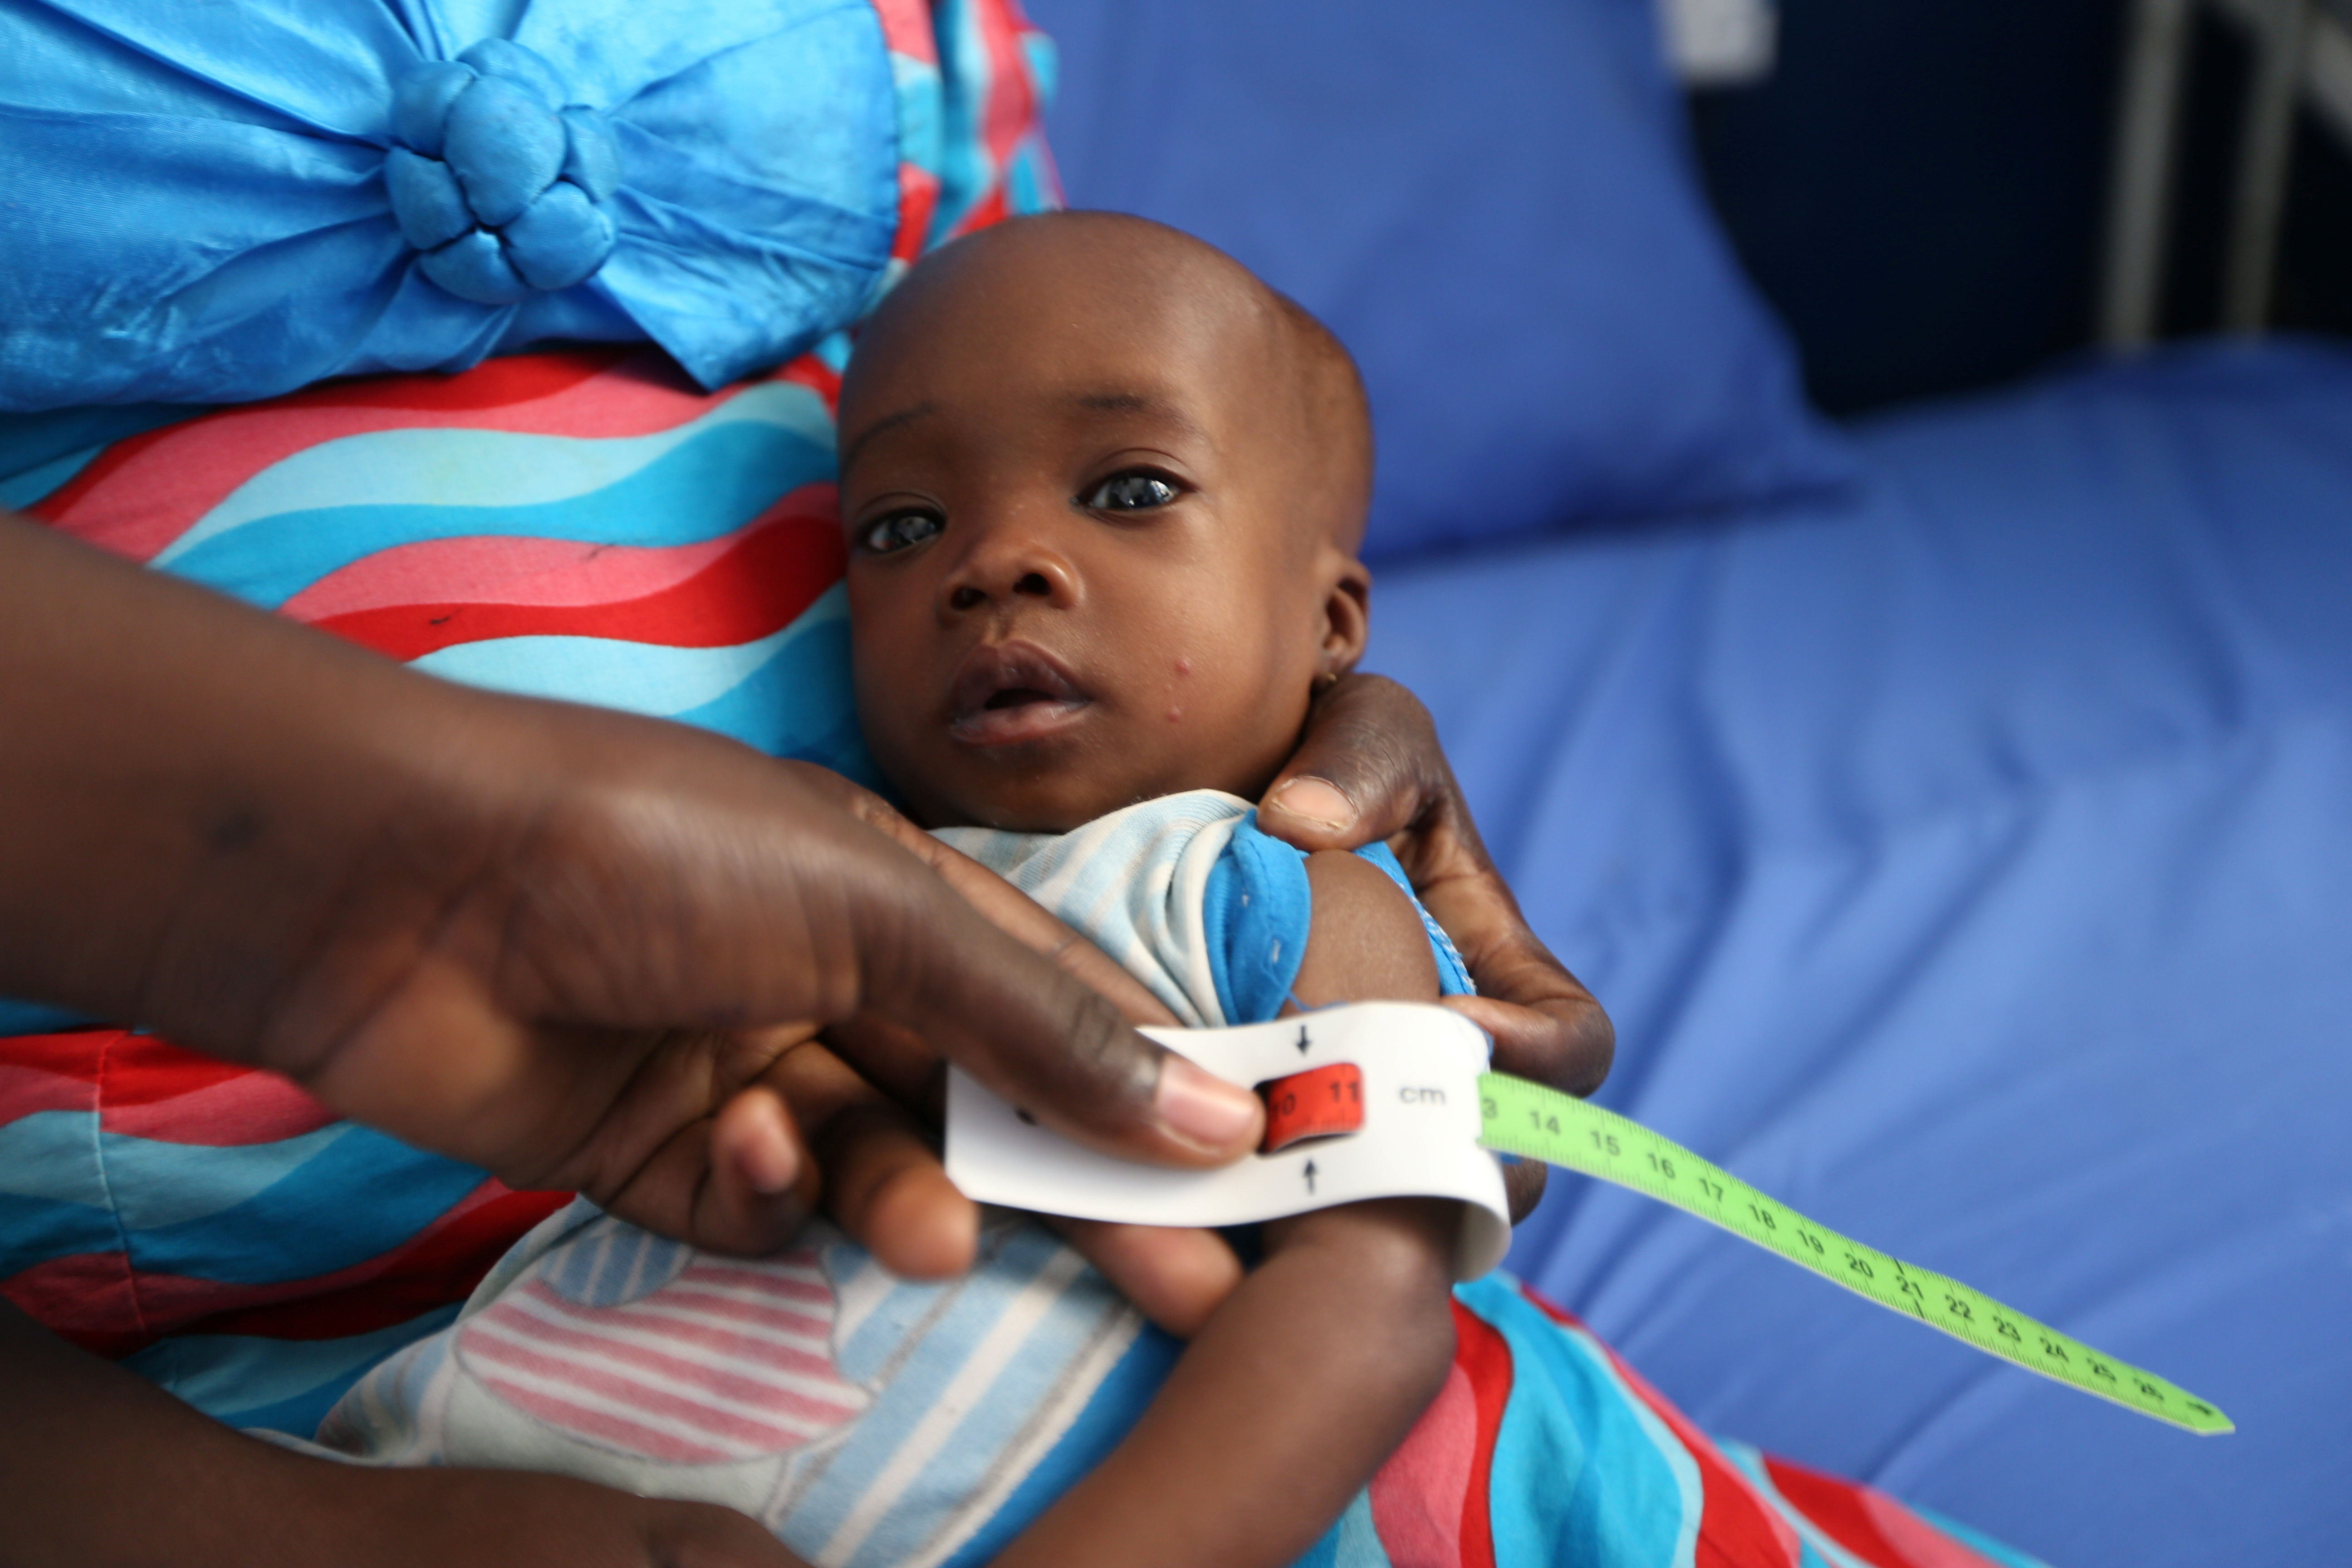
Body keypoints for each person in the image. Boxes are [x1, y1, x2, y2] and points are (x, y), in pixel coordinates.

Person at [309, 215, 2038, 1568]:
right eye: (903, 528)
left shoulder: (1263, 887)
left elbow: (1368, 1302)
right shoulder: (804, 876)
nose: (998, 559)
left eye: (1130, 489)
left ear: (1333, 631)